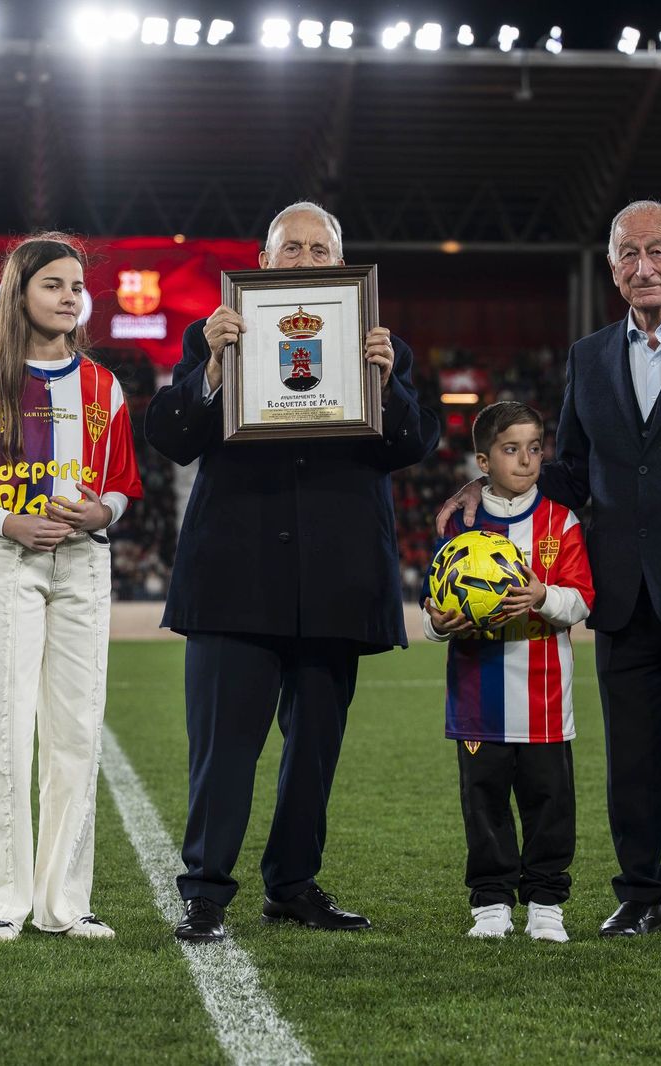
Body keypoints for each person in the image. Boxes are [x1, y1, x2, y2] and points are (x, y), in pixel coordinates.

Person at [439, 200, 661, 946]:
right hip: (622, 593)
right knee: (632, 760)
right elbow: (569, 470)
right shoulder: (590, 356)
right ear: (611, 269)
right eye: (629, 255)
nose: (645, 268)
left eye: (659, 252)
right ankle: (640, 893)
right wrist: (499, 491)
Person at [145, 201, 441, 943]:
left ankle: (292, 885)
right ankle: (206, 892)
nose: (307, 260)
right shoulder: (212, 332)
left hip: (337, 582)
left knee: (314, 752)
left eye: (320, 249)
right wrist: (210, 371)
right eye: (293, 248)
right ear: (264, 260)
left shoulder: (381, 343)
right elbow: (173, 437)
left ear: (341, 265)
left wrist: (388, 380)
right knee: (223, 751)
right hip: (235, 578)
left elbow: (413, 443)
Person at [0, 234, 143, 942]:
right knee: (4, 731)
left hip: (85, 565)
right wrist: (10, 525)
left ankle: (64, 903)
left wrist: (99, 513)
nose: (69, 297)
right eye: (54, 284)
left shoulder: (103, 387)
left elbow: (121, 486)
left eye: (77, 287)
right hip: (8, 563)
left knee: (76, 735)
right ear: (20, 292)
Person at [424, 402, 593, 941]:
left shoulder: (560, 521)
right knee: (484, 801)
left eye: (535, 448)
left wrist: (545, 596)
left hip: (544, 698)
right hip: (478, 699)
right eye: (510, 449)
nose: (525, 461)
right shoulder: (462, 523)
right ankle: (491, 901)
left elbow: (583, 599)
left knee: (550, 802)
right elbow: (434, 606)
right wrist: (438, 625)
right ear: (483, 459)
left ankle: (547, 902)